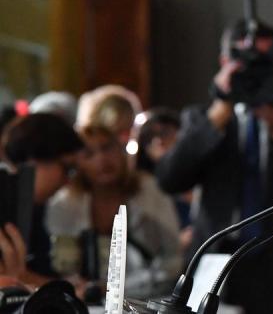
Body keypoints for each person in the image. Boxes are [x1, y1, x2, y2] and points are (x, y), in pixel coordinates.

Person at [154, 20, 273, 313]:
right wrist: (219, 112)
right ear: (225, 62)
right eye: (245, 61)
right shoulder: (202, 118)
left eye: (264, 62)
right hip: (220, 262)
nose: (255, 70)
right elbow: (170, 179)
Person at [45, 124, 181, 300]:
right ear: (77, 163)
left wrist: (112, 288)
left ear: (120, 150)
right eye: (89, 154)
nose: (102, 159)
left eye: (107, 148)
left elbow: (172, 260)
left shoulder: (150, 190)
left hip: (151, 299)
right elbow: (63, 267)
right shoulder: (64, 204)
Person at [0, 113, 84, 288]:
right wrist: (72, 290)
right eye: (67, 169)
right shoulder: (7, 207)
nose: (68, 181)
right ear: (33, 160)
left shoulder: (36, 210)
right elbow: (11, 274)